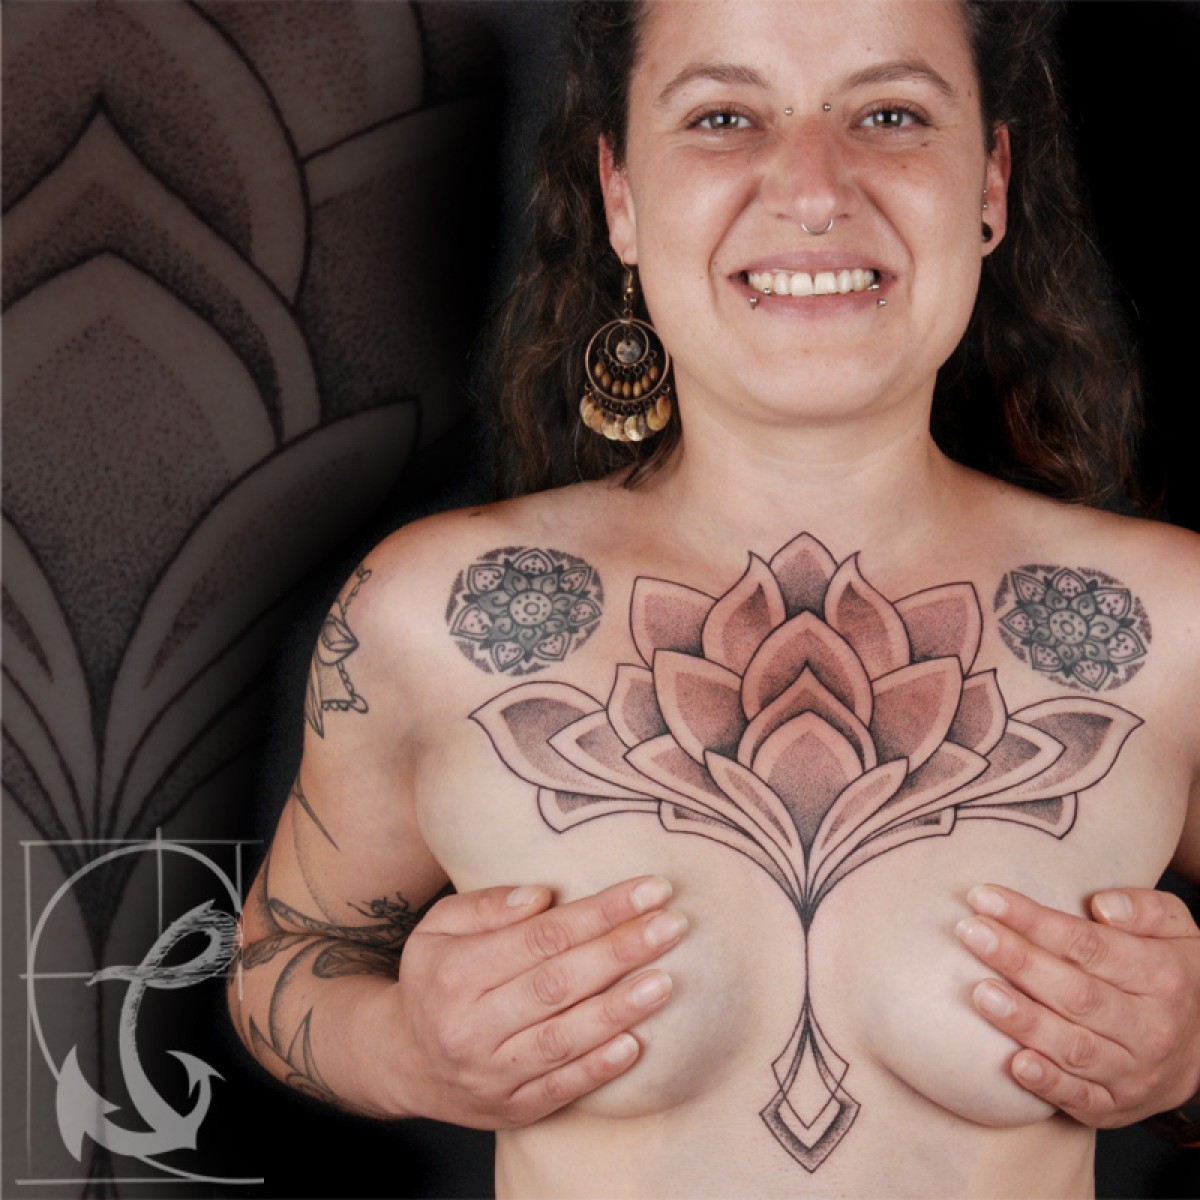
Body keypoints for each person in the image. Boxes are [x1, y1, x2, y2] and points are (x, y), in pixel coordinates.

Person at [229, 1, 1200, 1195]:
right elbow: (284, 961)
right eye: (724, 118)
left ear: (990, 184)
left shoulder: (1175, 623)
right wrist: (402, 1049)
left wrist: (1193, 1050)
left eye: (892, 114)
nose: (814, 189)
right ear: (621, 196)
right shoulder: (434, 616)